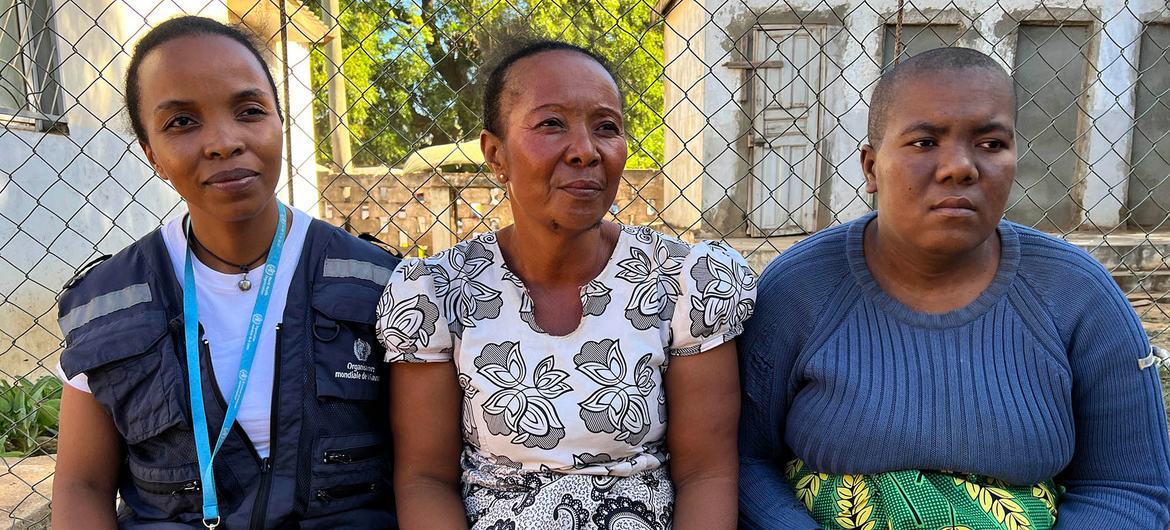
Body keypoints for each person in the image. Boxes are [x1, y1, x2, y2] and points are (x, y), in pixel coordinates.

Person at [737, 47, 1170, 530]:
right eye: (924, 143)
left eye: (990, 144)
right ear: (870, 168)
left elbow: (1129, 486)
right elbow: (745, 463)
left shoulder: (1078, 296)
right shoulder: (799, 290)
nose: (960, 167)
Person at [375, 40, 756, 529]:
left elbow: (707, 473)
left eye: (606, 127)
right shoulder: (436, 293)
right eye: (551, 123)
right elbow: (425, 479)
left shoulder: (685, 284)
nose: (585, 150)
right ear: (496, 154)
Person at [51, 16, 399, 529]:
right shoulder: (108, 300)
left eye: (249, 111)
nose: (223, 141)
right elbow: (81, 484)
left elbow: (425, 471)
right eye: (181, 123)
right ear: (152, 155)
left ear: (281, 122)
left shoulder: (381, 283)